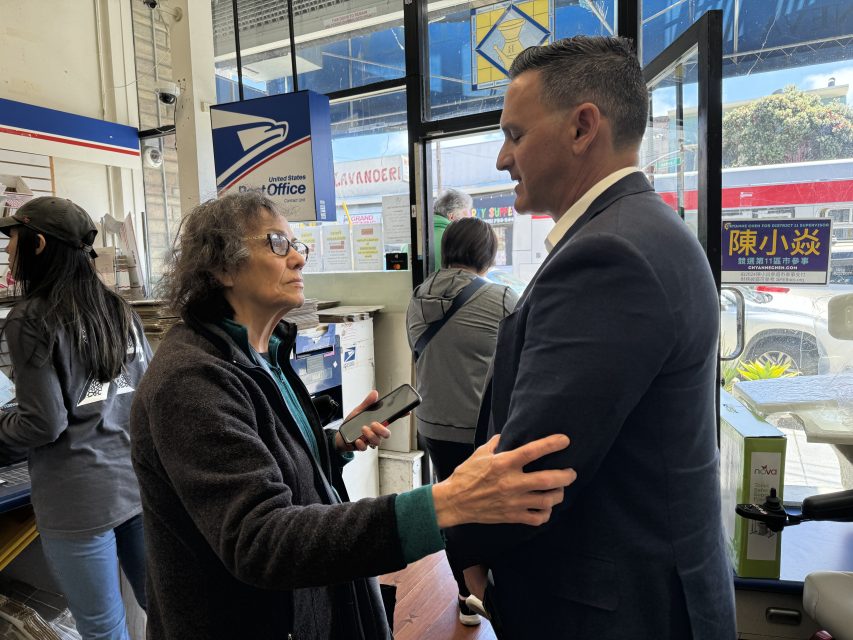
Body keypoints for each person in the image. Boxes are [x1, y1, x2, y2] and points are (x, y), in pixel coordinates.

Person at [129, 191, 577, 640]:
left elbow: (263, 463)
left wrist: (334, 444)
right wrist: (444, 503)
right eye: (277, 244)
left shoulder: (262, 353)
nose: (299, 260)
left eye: (298, 245)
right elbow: (260, 539)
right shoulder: (191, 380)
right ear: (221, 267)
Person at [450, 36, 737, 639]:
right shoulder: (641, 230)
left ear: (583, 127)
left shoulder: (610, 255)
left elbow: (538, 464)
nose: (503, 159)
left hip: (614, 611)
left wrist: (464, 547)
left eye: (515, 134)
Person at [0, 197, 150, 640]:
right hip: (136, 485)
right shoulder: (119, 309)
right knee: (165, 608)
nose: (9, 250)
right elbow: (141, 398)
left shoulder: (30, 317)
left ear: (39, 243)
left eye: (12, 239)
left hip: (77, 499)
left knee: (103, 628)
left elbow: (43, 423)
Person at [406, 217, 517, 626]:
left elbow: (420, 355)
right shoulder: (503, 299)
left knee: (452, 508)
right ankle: (495, 596)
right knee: (491, 513)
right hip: (481, 432)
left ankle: (464, 595)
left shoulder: (418, 296)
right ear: (487, 255)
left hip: (433, 423)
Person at [432, 188, 474, 269]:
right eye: (465, 215)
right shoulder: (456, 239)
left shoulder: (417, 236)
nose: (469, 219)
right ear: (451, 216)